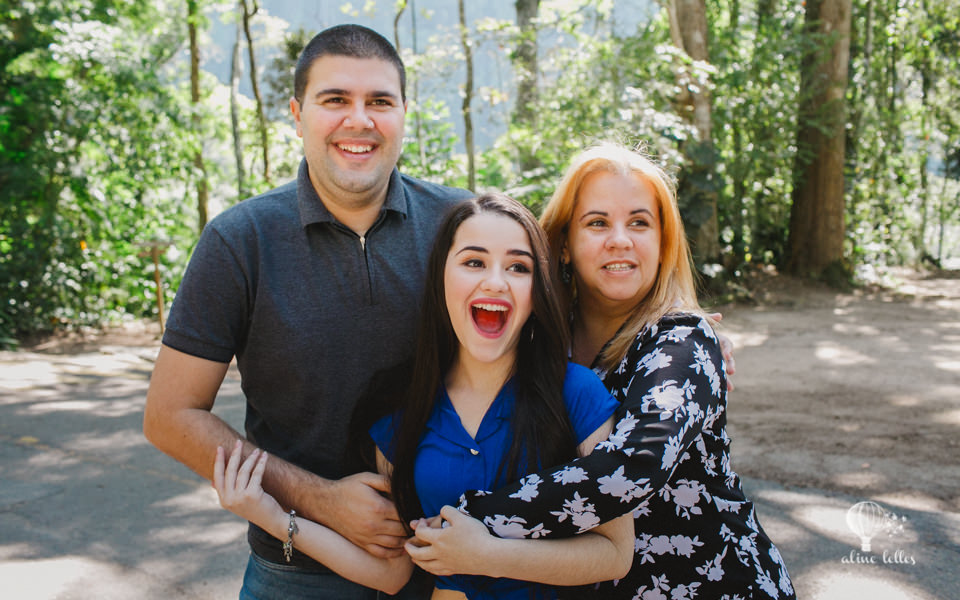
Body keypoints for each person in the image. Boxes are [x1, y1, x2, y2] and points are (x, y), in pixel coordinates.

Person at [142, 23, 472, 599]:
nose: (359, 120)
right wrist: (322, 500)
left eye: (379, 102)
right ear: (297, 114)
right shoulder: (239, 240)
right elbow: (170, 416)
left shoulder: (460, 225)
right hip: (296, 569)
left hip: (453, 567)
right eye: (335, 100)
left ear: (403, 115)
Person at [413, 143, 796, 599]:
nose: (620, 239)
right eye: (597, 223)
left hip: (715, 585)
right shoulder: (541, 343)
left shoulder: (681, 341)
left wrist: (473, 521)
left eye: (640, 223)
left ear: (663, 244)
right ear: (564, 246)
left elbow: (634, 464)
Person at [213, 193, 635, 598]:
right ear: (441, 278)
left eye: (518, 268)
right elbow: (392, 572)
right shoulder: (402, 410)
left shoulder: (577, 394)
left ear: (536, 293)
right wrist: (271, 516)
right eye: (474, 262)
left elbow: (615, 554)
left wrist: (490, 555)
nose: (496, 282)